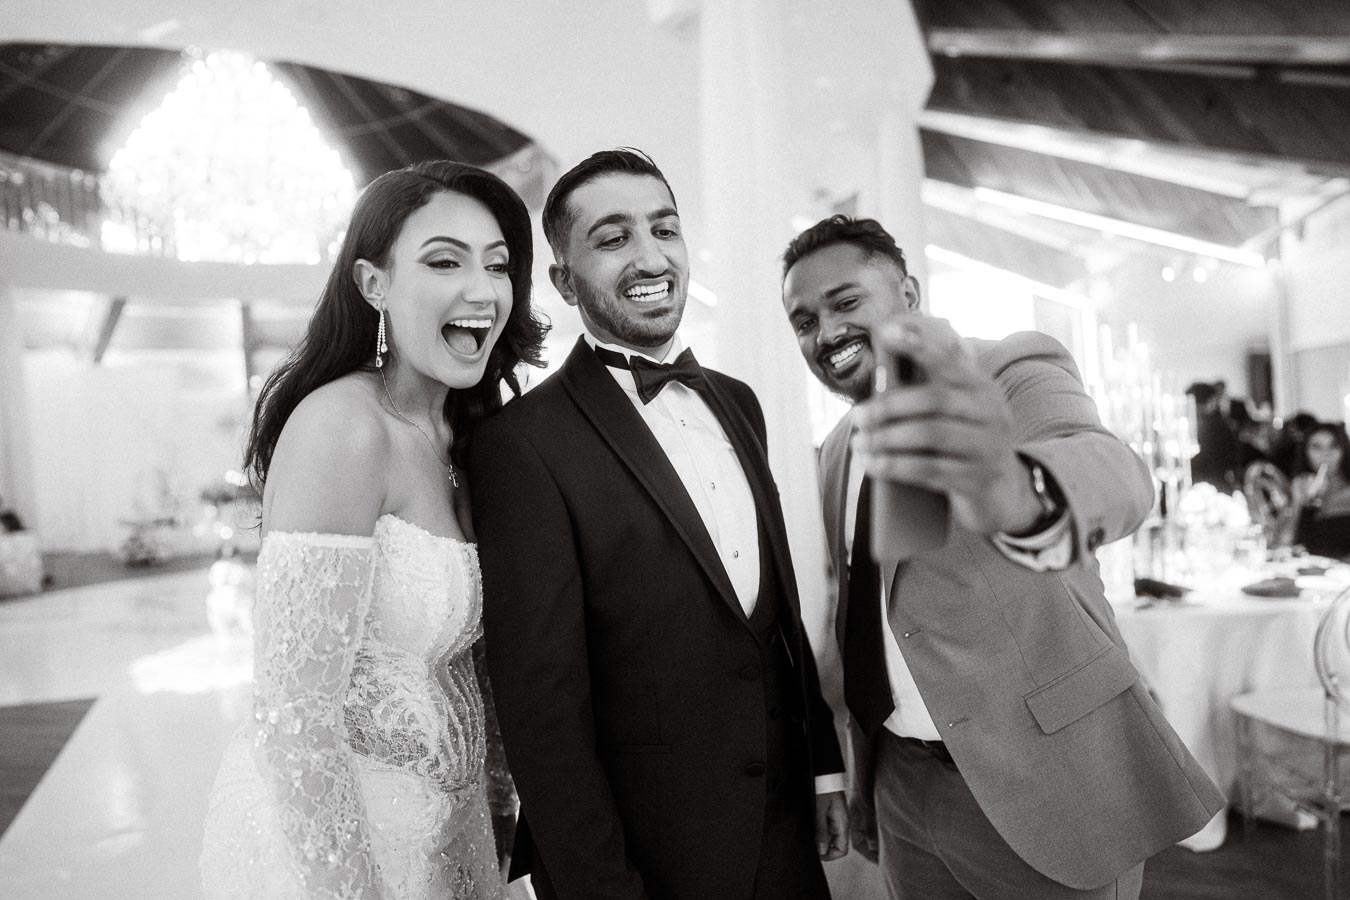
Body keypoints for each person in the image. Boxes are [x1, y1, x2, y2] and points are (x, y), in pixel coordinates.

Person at [779, 215, 1224, 900]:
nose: (826, 333)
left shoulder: (1005, 369)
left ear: (909, 295)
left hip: (1043, 776)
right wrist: (854, 770)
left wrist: (1016, 490)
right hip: (902, 781)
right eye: (804, 321)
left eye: (845, 302)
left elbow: (1112, 471)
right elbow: (859, 615)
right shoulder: (837, 450)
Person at [468, 149, 847, 900]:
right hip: (656, 857)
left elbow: (773, 615)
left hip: (787, 837)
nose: (650, 256)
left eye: (664, 229)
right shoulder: (520, 446)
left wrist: (821, 765)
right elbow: (542, 711)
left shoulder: (739, 403)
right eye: (612, 239)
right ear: (564, 282)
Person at [199, 160, 547, 899]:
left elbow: (465, 669)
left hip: (449, 840)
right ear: (373, 285)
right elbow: (296, 717)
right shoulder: (343, 428)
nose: (482, 290)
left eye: (498, 265)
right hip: (332, 850)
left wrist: (492, 815)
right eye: (444, 261)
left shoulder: (466, 433)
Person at [1289, 421, 1350, 558]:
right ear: (1305, 452)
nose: (1326, 454)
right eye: (1316, 447)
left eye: (1334, 446)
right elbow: (1285, 544)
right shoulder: (1302, 486)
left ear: (1344, 450)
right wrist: (1298, 502)